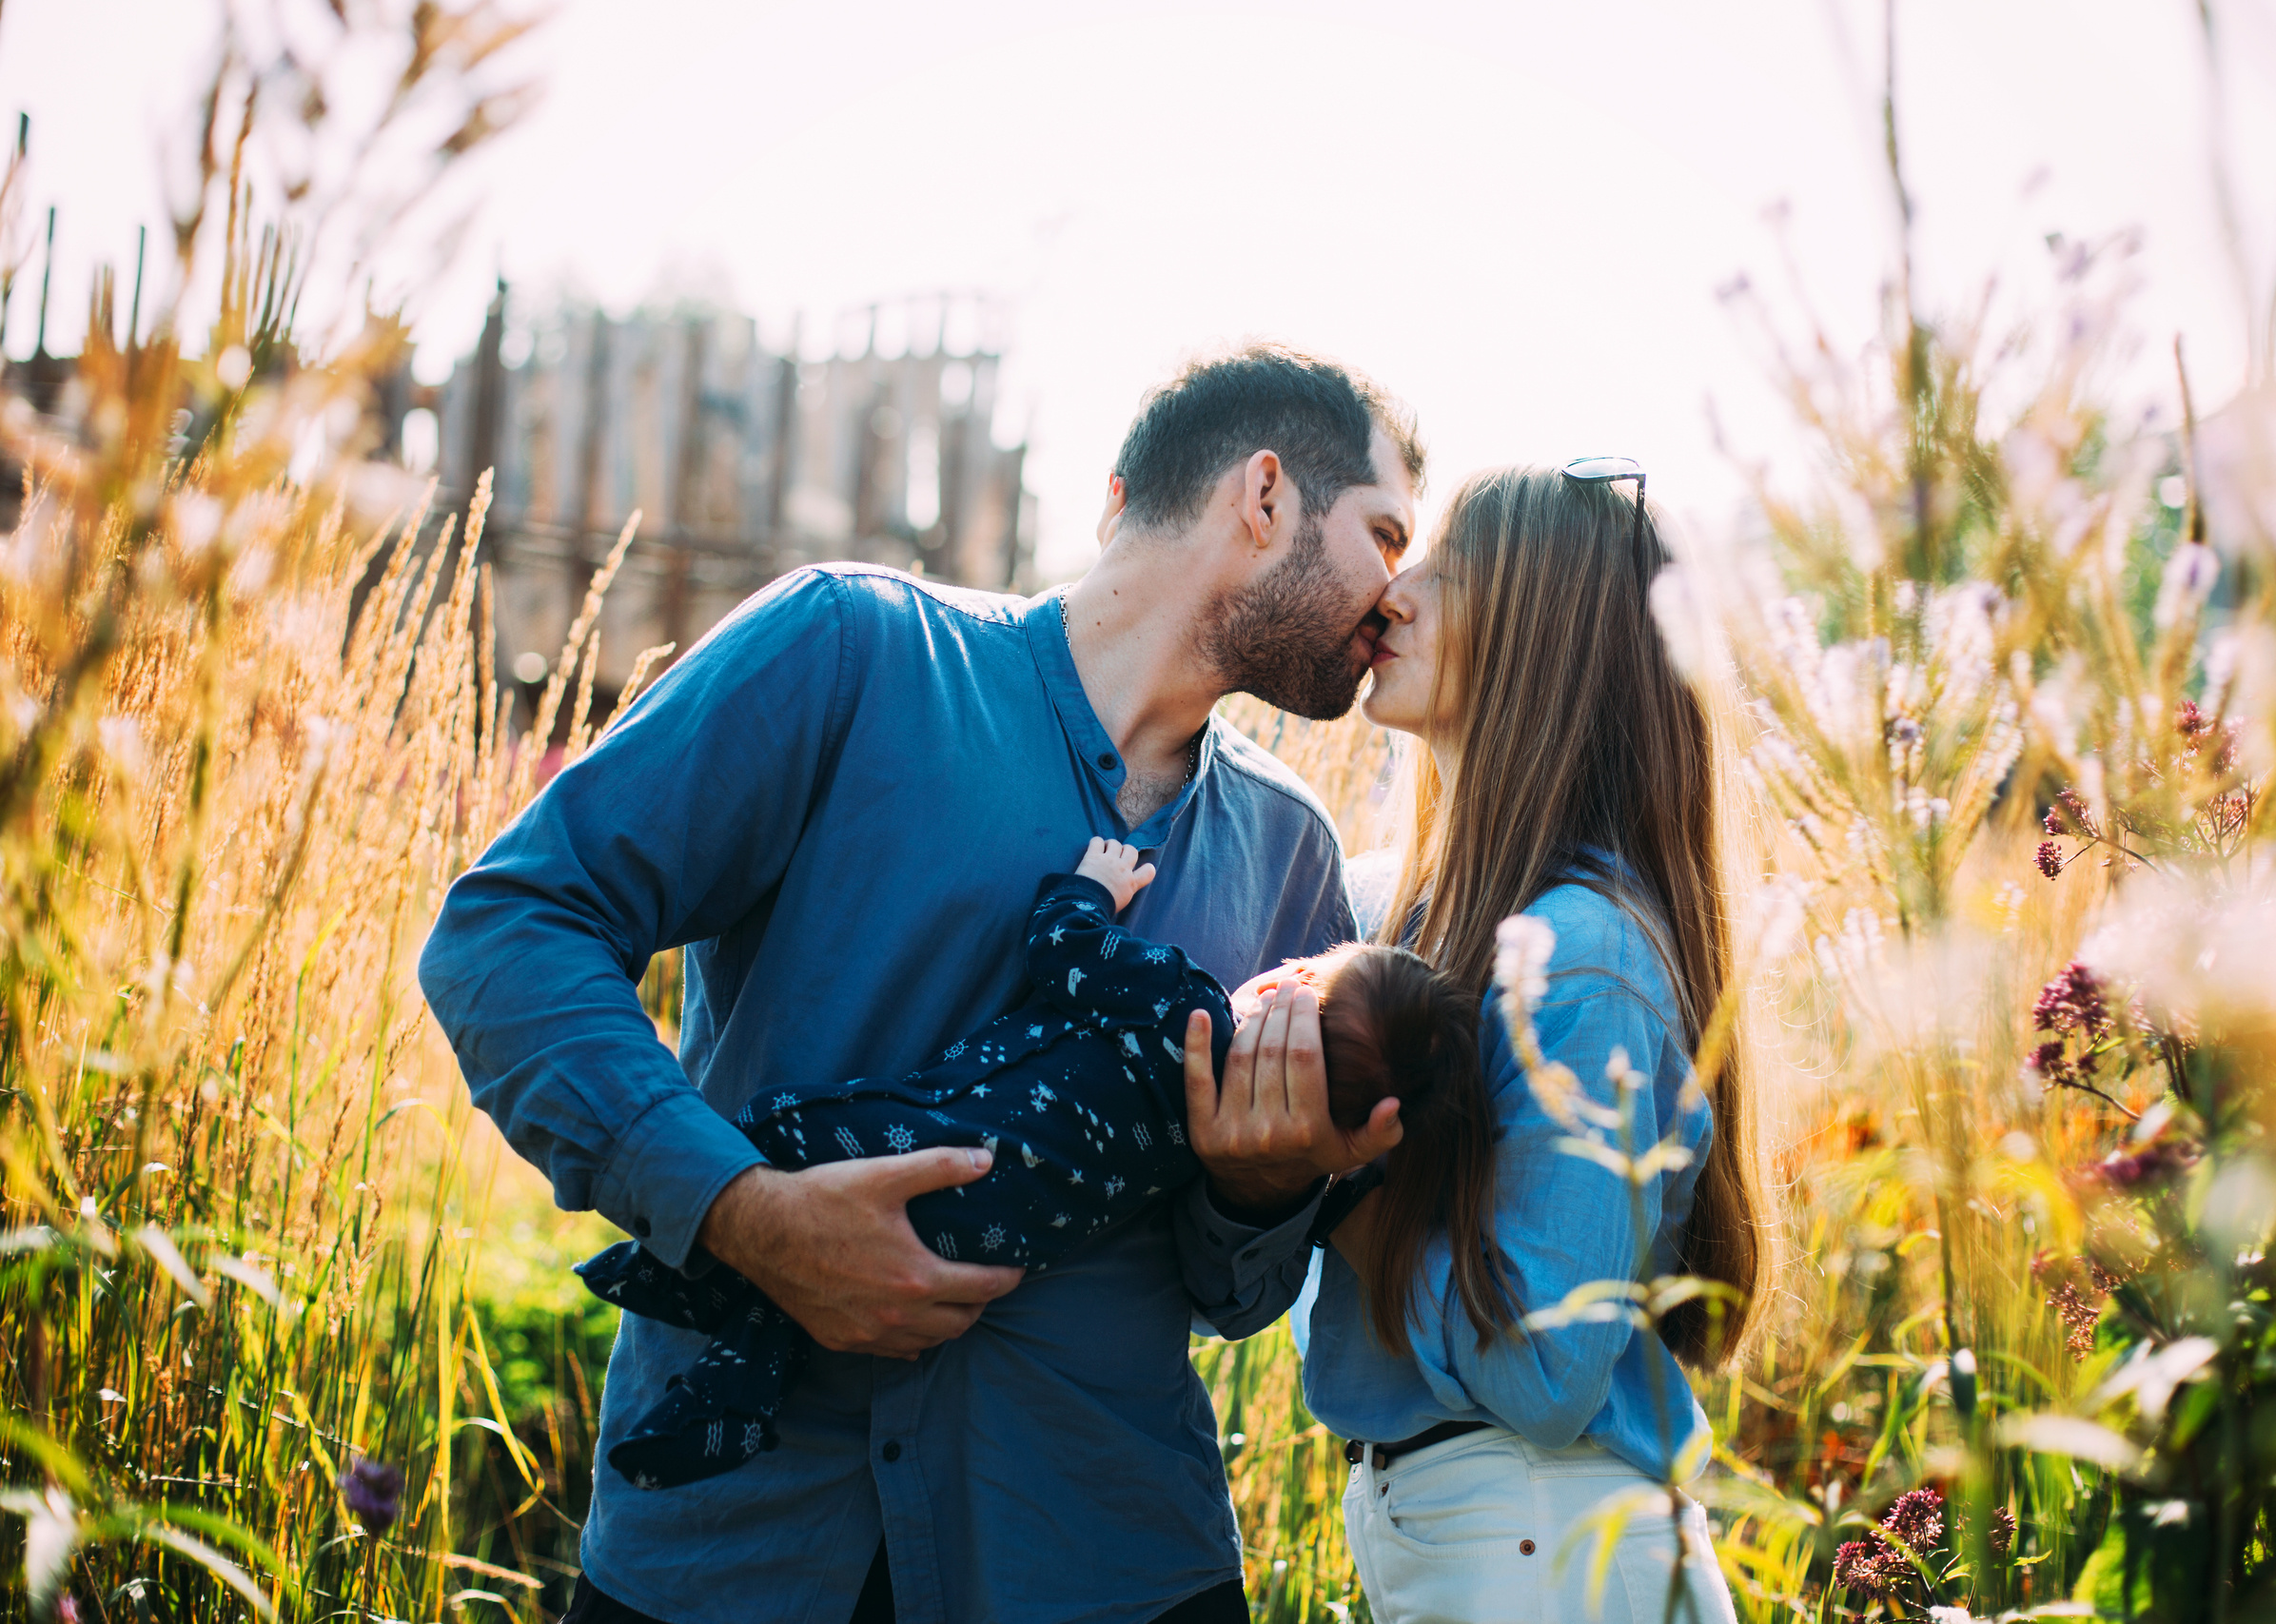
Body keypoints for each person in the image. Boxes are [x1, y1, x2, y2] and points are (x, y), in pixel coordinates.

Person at [417, 343, 1422, 1624]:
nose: (1397, 597)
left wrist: (1259, 1190)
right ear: (1264, 496)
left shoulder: (1290, 854)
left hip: (1102, 1563)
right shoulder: (850, 650)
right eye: (1386, 534)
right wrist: (738, 1210)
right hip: (740, 1554)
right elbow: (512, 926)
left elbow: (1239, 1296)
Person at [577, 837, 1490, 1496]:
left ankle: (685, 1268)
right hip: (995, 1247)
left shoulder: (1183, 1004)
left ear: (1288, 987)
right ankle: (726, 1388)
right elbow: (1243, 1269)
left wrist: (1091, 887)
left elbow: (1062, 949)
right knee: (803, 1300)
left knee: (777, 1127)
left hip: (932, 1150)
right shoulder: (1231, 1140)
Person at [1288, 463, 1765, 1623]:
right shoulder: (1415, 922)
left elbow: (1548, 1376)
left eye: (1446, 574)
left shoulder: (1583, 961)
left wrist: (1338, 1194)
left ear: (1541, 639)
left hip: (1547, 1545)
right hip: (1487, 1537)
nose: (1393, 594)